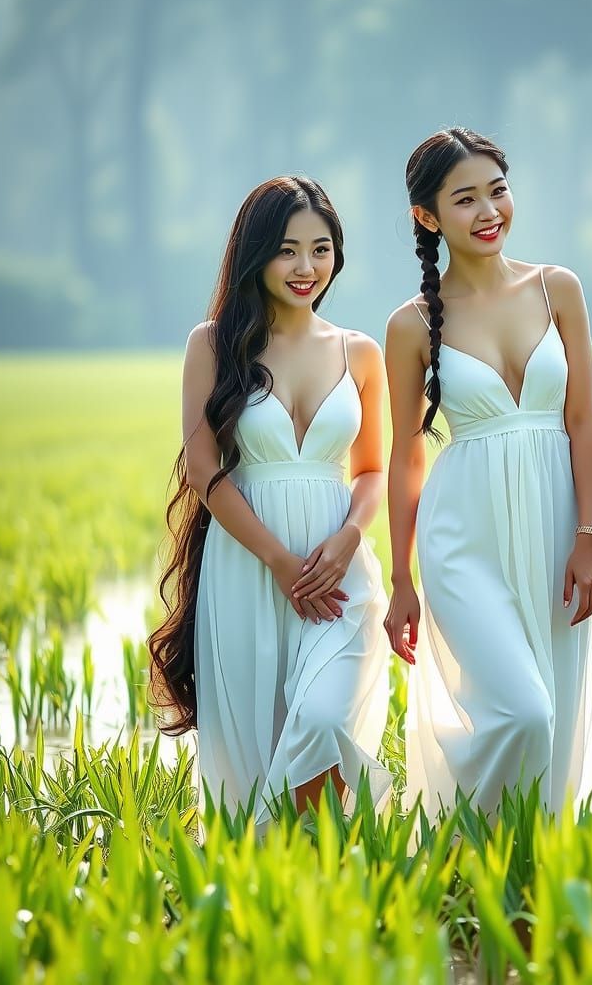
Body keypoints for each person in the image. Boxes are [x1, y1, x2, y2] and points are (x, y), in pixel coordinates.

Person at [148, 176, 390, 824]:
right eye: (287, 250)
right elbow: (204, 471)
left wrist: (346, 541)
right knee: (256, 744)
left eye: (321, 249)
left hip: (337, 575)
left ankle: (309, 860)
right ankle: (281, 883)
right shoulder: (213, 345)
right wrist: (281, 563)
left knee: (322, 718)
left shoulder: (359, 352)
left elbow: (371, 471)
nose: (306, 267)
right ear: (255, 255)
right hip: (251, 569)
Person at [383, 128, 592, 820]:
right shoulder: (412, 325)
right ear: (428, 217)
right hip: (462, 537)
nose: (489, 212)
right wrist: (400, 579)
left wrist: (590, 536)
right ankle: (456, 838)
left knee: (554, 706)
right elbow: (405, 454)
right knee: (523, 712)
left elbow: (582, 421)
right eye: (465, 199)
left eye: (498, 191)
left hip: (555, 526)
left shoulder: (557, 289)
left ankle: (525, 863)